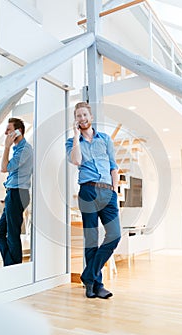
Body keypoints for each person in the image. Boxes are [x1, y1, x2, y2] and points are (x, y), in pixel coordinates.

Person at [65, 102, 121, 299]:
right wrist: (75, 137)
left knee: (114, 235)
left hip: (108, 192)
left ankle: (88, 276)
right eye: (78, 116)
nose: (82, 118)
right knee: (91, 239)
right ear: (76, 119)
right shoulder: (72, 141)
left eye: (85, 115)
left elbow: (114, 166)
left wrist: (114, 190)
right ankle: (96, 285)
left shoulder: (105, 139)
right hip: (88, 191)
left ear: (91, 116)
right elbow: (77, 161)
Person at [0, 117, 33, 266]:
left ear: (19, 131)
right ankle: (11, 265)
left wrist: (6, 147)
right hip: (12, 193)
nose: (5, 133)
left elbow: (4, 168)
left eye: (9, 130)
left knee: (12, 234)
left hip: (18, 193)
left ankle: (14, 268)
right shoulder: (19, 149)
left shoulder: (24, 149)